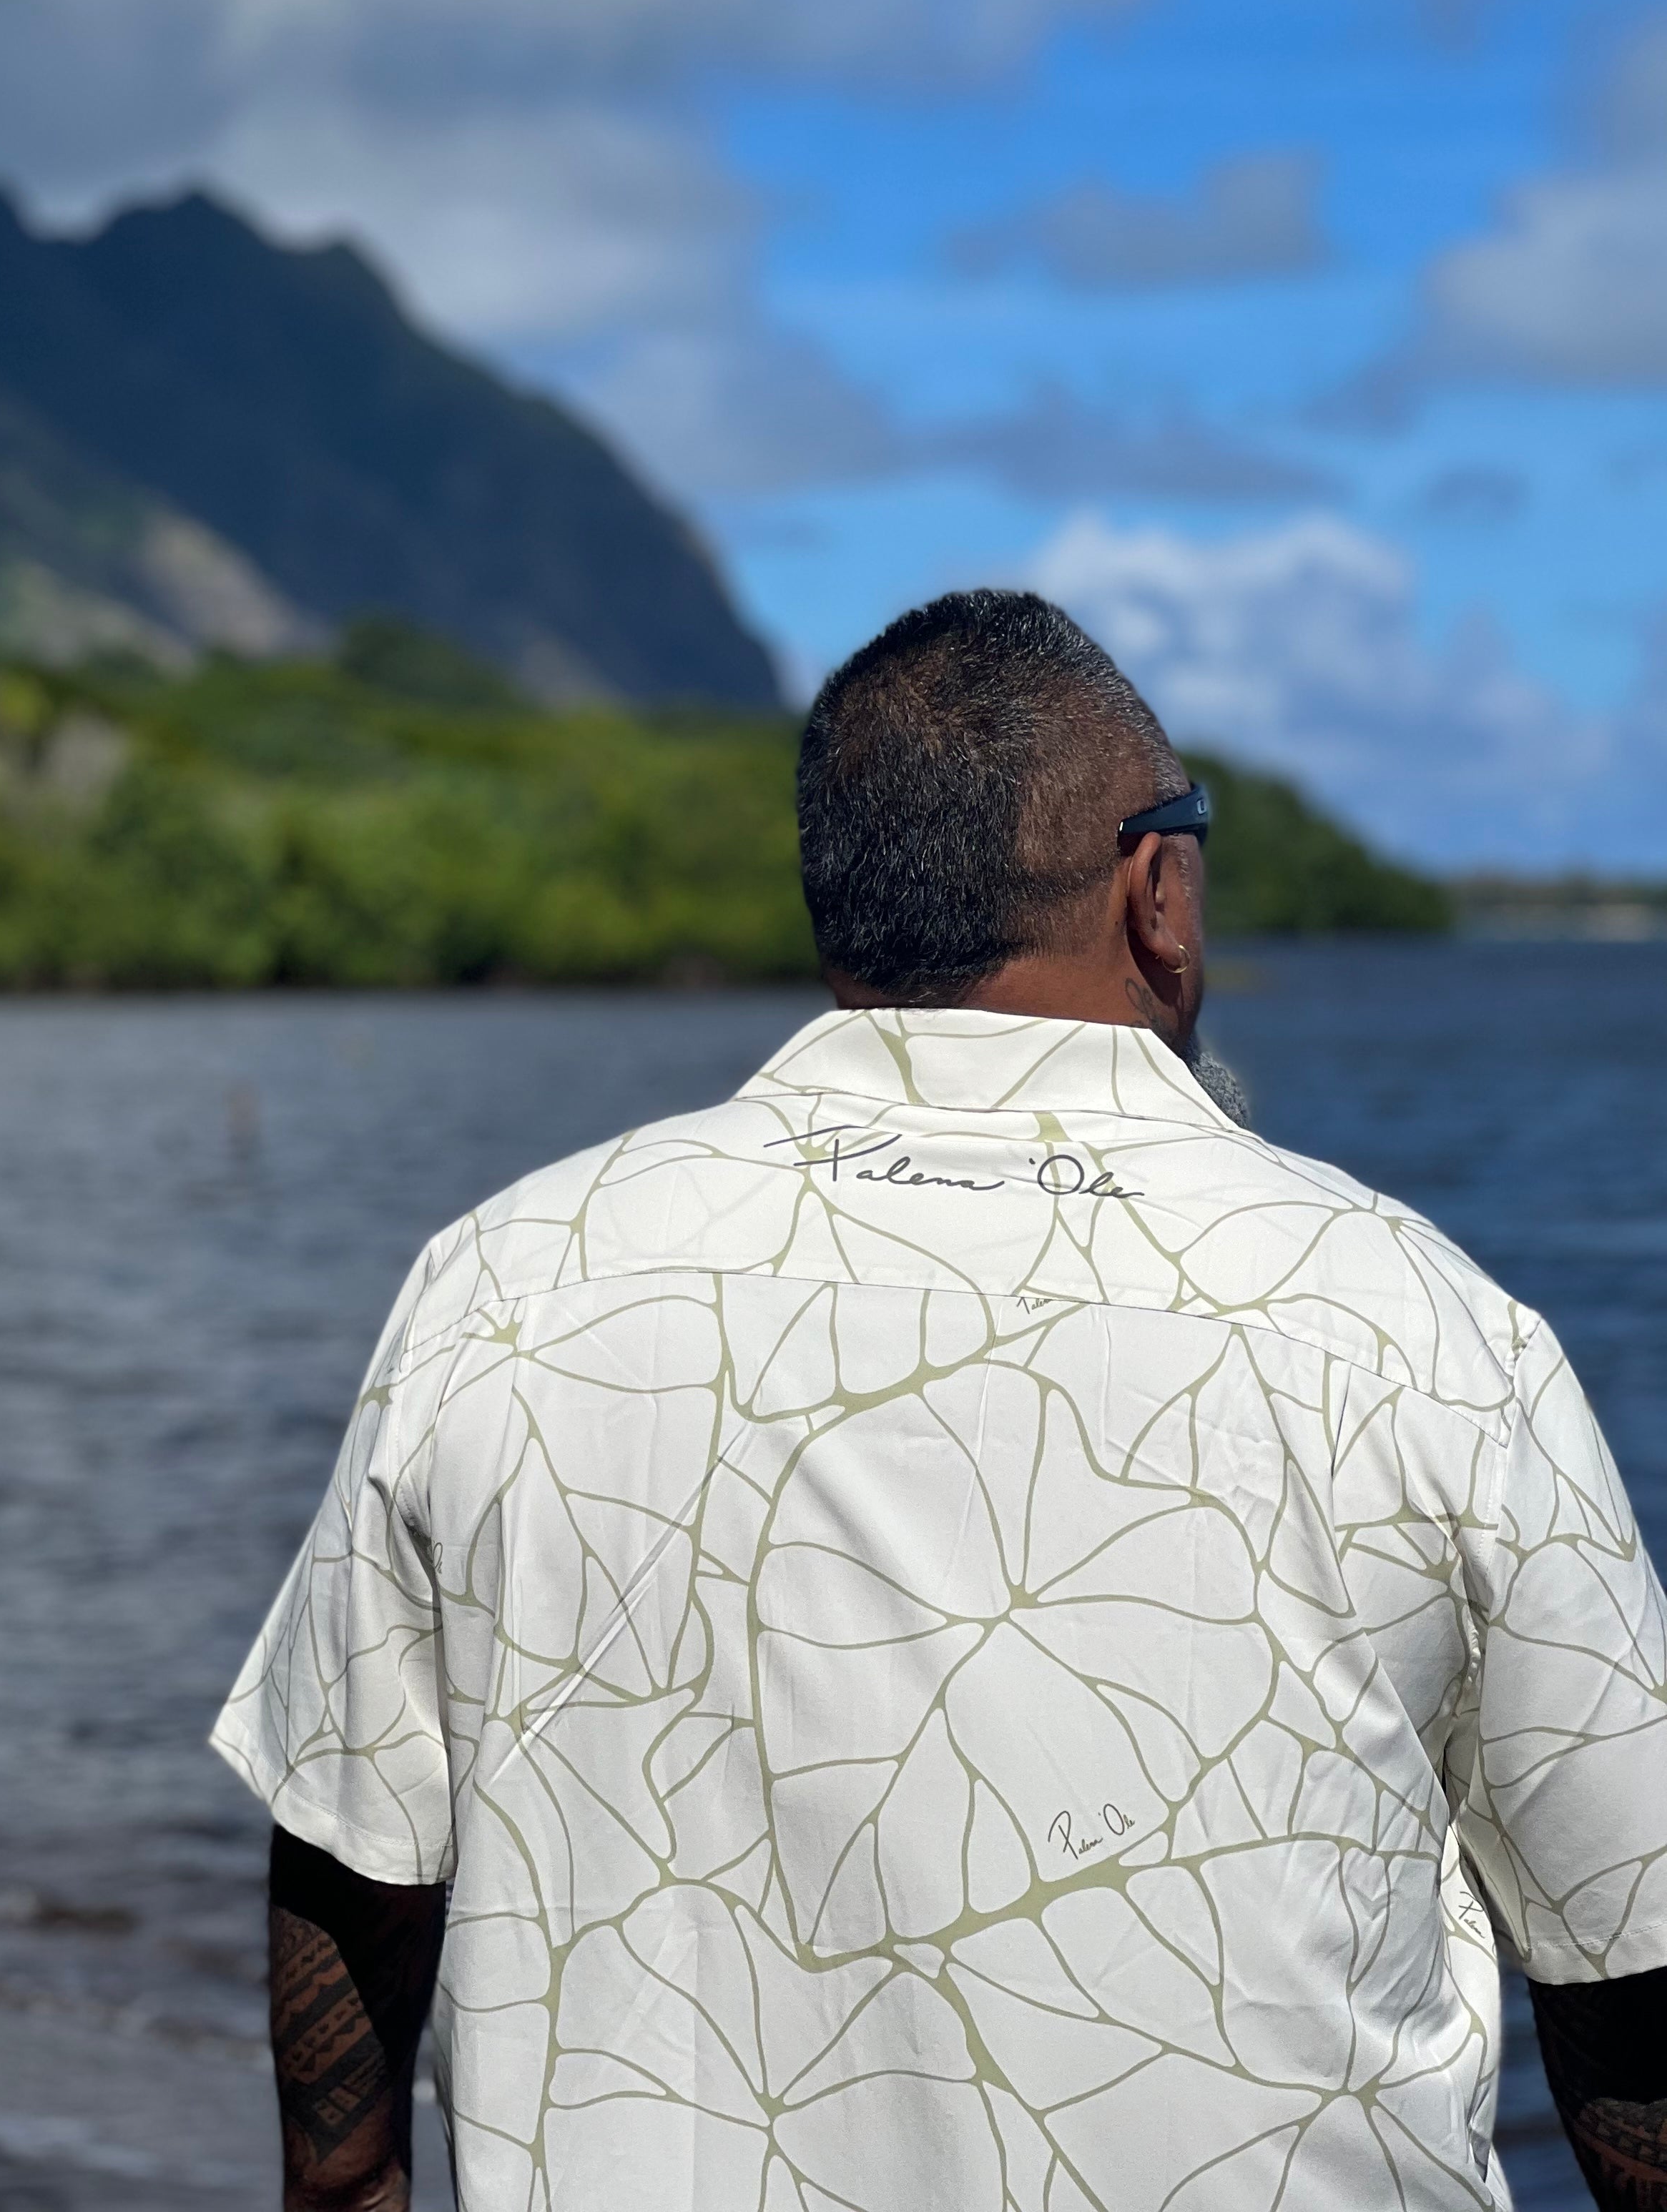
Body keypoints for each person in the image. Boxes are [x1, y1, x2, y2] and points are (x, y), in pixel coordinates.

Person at [213, 589, 1667, 2212]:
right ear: (1158, 893)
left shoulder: (505, 1285)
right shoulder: (1421, 1326)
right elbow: (1632, 1944)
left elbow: (354, 1853)